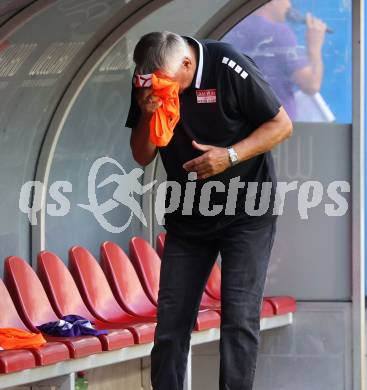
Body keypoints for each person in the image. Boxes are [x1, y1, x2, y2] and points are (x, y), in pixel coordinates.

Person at [125, 31, 293, 390]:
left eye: (170, 84)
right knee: (171, 322)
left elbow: (281, 125)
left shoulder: (228, 66)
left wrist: (228, 156)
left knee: (239, 319)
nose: (164, 90)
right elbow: (142, 154)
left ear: (188, 64)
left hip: (247, 211)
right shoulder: (151, 78)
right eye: (155, 84)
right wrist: (145, 114)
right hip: (188, 217)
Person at [223, 0, 327, 120]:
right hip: (273, 123)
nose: (289, 5)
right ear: (271, 2)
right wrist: (314, 45)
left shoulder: (235, 27)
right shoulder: (279, 33)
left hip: (240, 117)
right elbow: (311, 84)